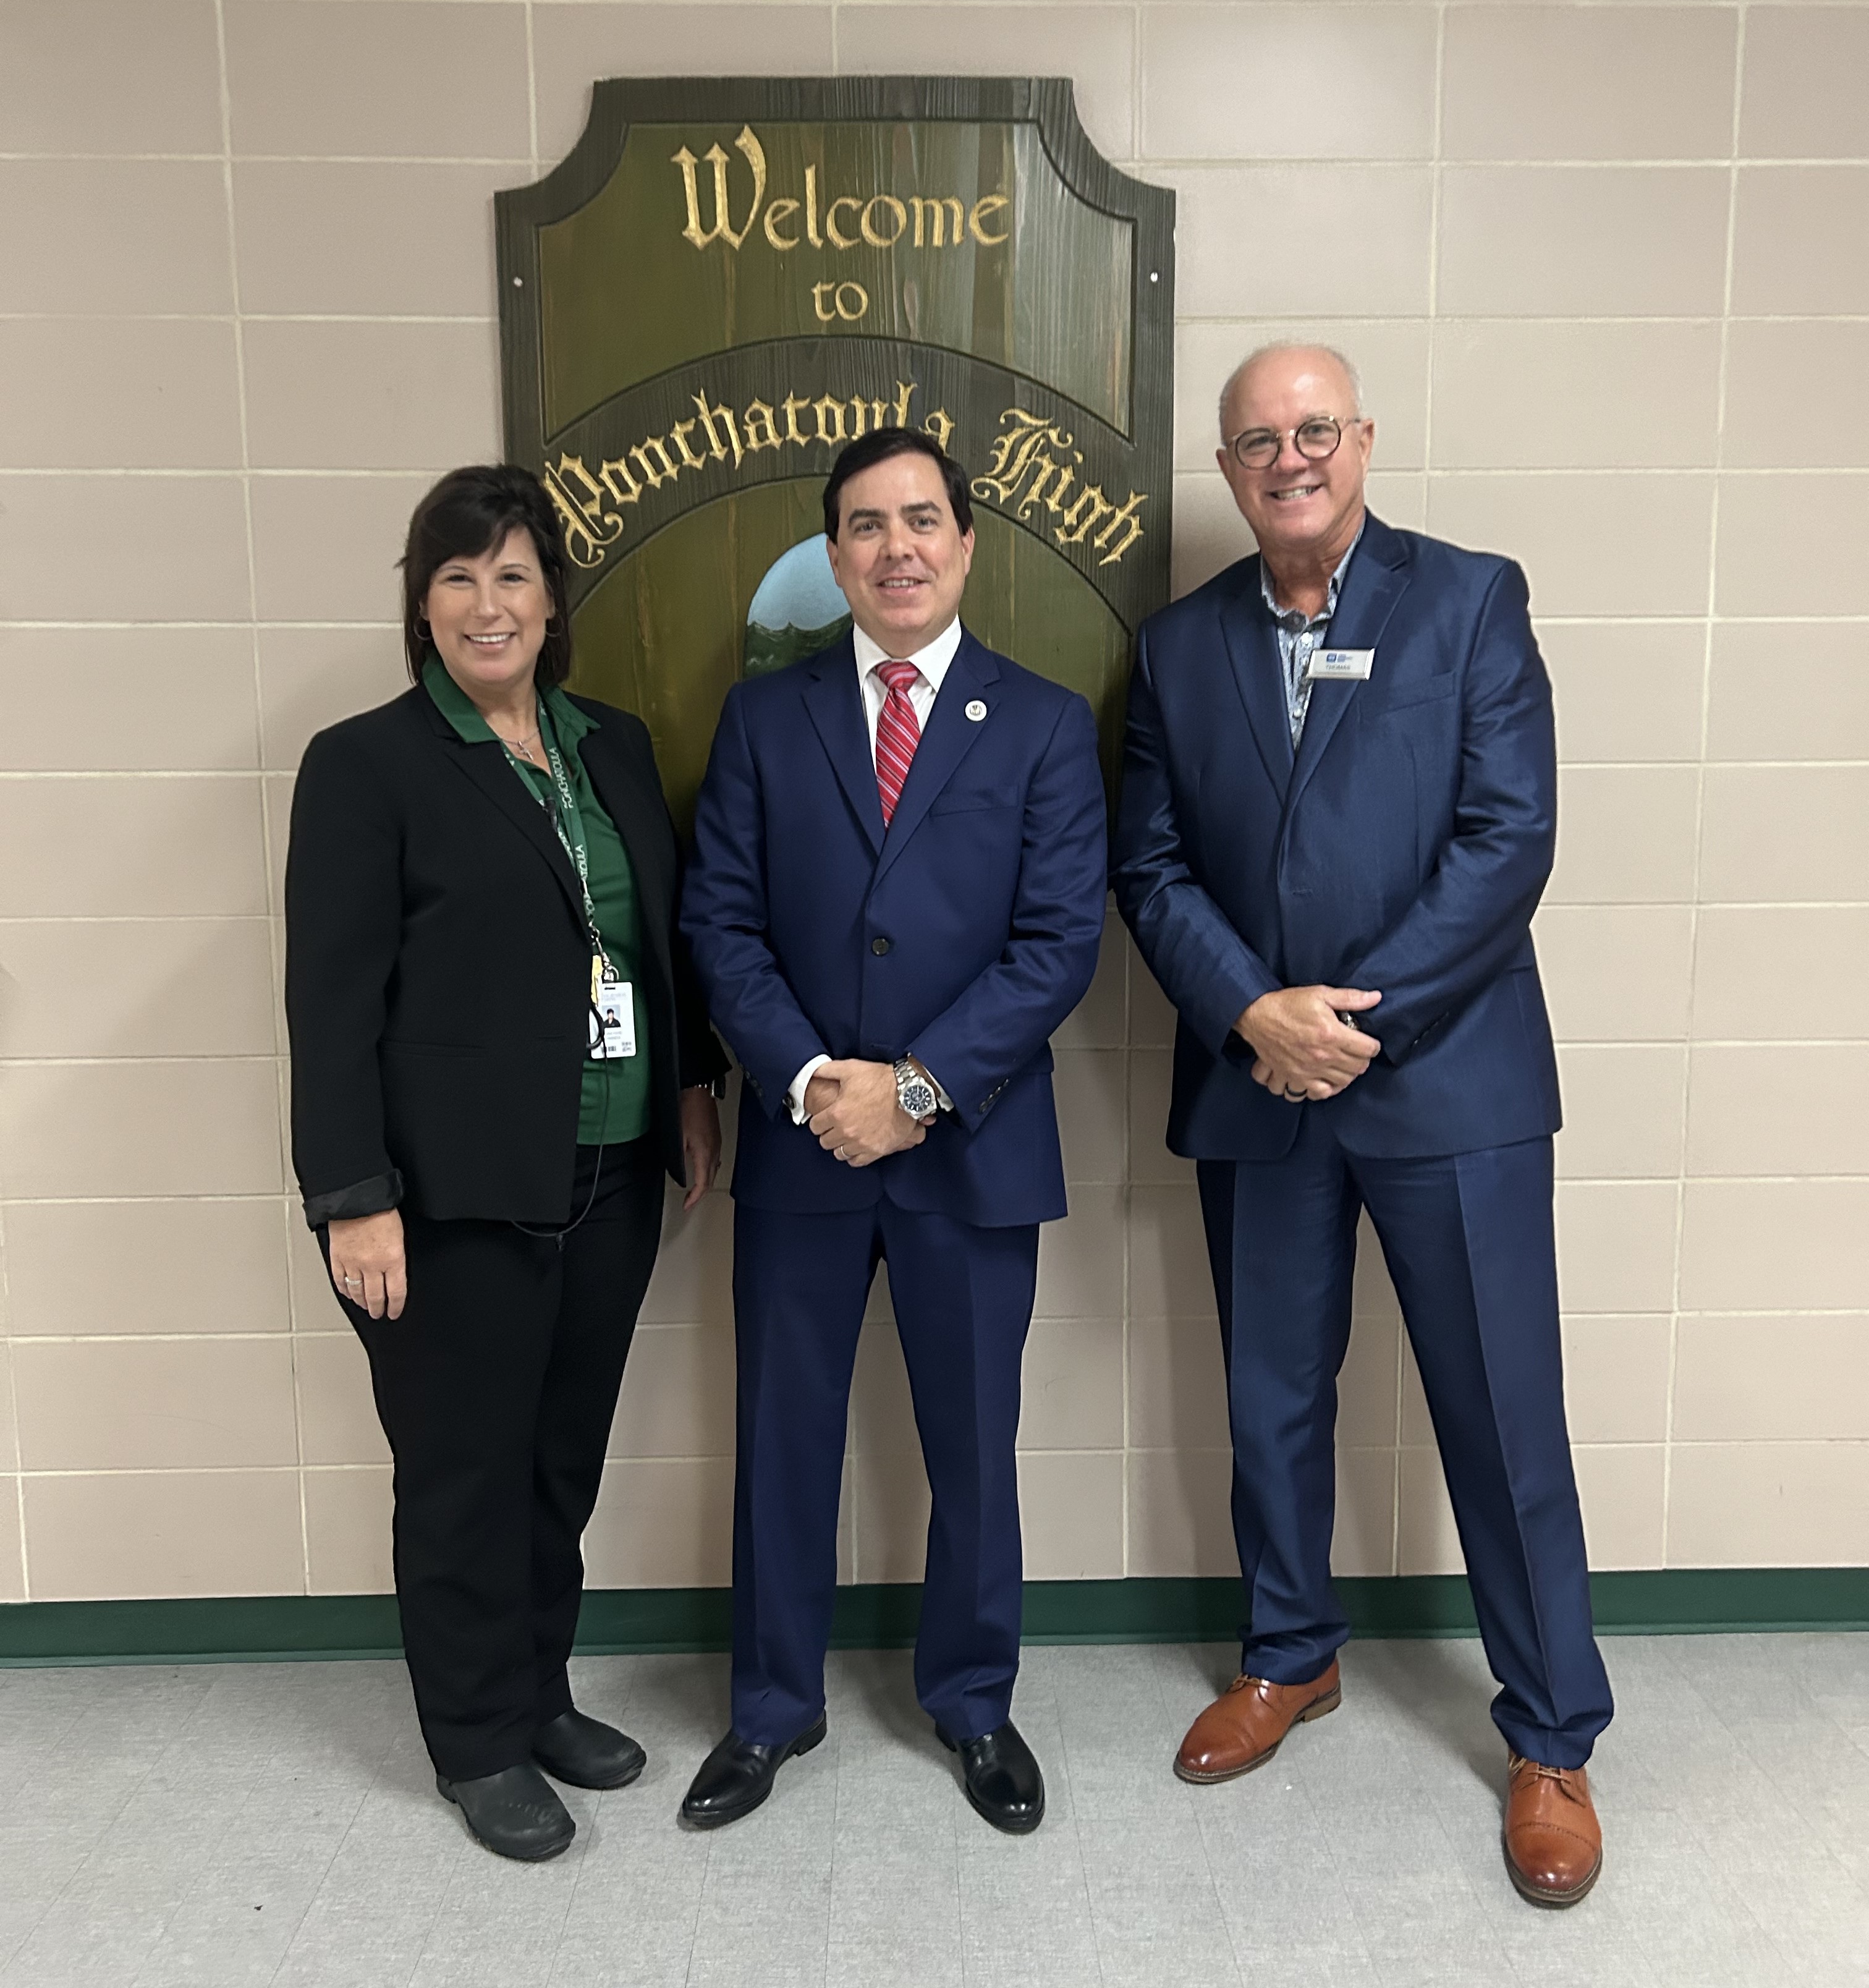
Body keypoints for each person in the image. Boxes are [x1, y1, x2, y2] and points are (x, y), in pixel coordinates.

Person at [1111, 344, 1612, 1906]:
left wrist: (1352, 1018)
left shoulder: (1468, 602)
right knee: (1271, 1400)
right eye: (1256, 439)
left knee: (1500, 1414)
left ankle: (1551, 1738)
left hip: (1447, 1085)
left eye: (1312, 429)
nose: (1288, 457)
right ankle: (1290, 1656)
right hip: (1257, 1084)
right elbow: (1153, 866)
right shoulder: (1179, 647)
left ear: (1363, 440)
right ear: (1227, 466)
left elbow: (1507, 837)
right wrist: (1257, 1015)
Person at [285, 464, 724, 1861]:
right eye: (461, 575)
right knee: (464, 1473)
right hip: (448, 1196)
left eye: (516, 574)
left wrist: (694, 1092)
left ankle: (537, 1693)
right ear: (423, 603)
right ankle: (473, 1738)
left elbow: (656, 947)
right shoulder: (368, 765)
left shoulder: (611, 746)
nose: (490, 602)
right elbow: (331, 1002)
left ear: (554, 602)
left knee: (556, 1465)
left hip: (605, 1177)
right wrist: (353, 1195)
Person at [677, 427, 1108, 1834]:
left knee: (974, 1446)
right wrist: (813, 1083)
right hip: (804, 1152)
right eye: (866, 526)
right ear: (834, 554)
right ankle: (770, 1710)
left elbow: (1056, 945)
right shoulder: (765, 718)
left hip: (971, 1152)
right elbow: (718, 924)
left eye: (922, 519)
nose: (897, 548)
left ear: (967, 542)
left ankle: (975, 1704)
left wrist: (913, 1089)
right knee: (783, 1439)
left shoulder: (1041, 724)